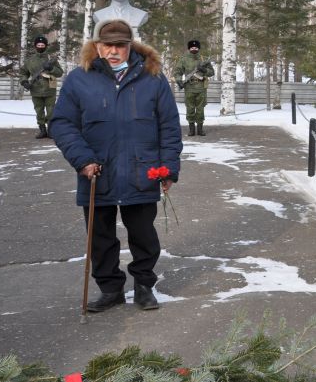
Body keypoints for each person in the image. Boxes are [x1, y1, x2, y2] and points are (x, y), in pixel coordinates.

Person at [50, 19, 182, 312]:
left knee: (144, 236)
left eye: (120, 45)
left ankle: (144, 285)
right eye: (107, 45)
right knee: (100, 238)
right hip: (97, 173)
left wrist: (169, 167)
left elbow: (169, 126)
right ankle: (110, 290)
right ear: (97, 46)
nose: (113, 51)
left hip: (142, 172)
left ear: (130, 46)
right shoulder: (79, 79)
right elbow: (62, 124)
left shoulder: (152, 78)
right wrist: (83, 159)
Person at [19, 35, 64, 139]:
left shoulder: (51, 59)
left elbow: (60, 73)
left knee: (51, 111)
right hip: (35, 89)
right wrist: (24, 81)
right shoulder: (30, 60)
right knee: (39, 111)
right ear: (35, 46)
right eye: (38, 45)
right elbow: (23, 73)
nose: (40, 47)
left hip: (50, 89)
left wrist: (51, 68)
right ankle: (42, 130)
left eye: (42, 45)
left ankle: (51, 130)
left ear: (46, 46)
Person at [173, 39, 214, 136]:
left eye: (196, 47)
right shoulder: (183, 59)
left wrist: (204, 70)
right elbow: (177, 71)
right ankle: (191, 129)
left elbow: (212, 72)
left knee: (200, 109)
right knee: (190, 108)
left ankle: (200, 129)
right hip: (189, 87)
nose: (194, 49)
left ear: (198, 48)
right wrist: (179, 80)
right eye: (192, 47)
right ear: (189, 48)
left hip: (201, 87)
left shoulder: (204, 59)